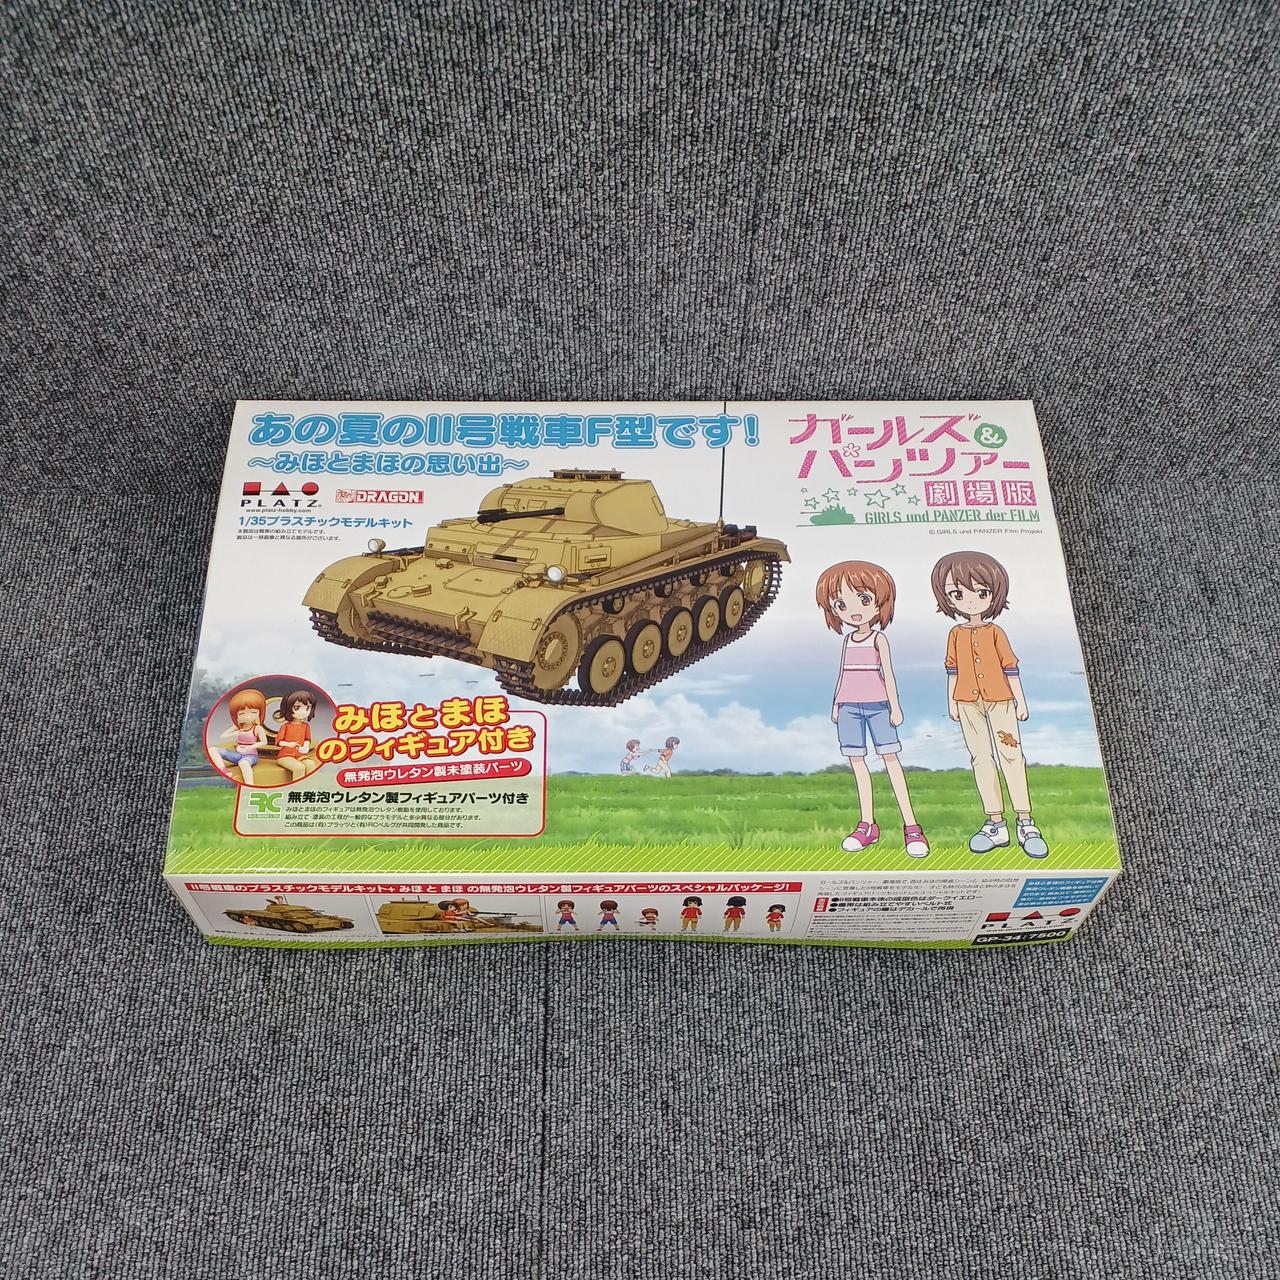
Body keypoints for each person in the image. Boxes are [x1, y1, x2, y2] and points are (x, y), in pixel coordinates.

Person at [931, 551, 1048, 858]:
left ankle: (1026, 822)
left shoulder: (996, 632)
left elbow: (1010, 667)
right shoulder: (954, 634)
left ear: (994, 594)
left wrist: (1020, 700)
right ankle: (995, 823)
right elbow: (952, 669)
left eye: (981, 593)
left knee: (1011, 755)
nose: (970, 601)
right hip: (967, 702)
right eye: (958, 594)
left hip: (1001, 700)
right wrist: (951, 701)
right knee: (981, 758)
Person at [816, 561, 929, 857]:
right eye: (841, 604)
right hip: (849, 707)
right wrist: (836, 703)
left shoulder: (879, 639)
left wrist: (895, 706)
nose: (853, 610)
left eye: (864, 600)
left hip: (879, 706)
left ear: (880, 603)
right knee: (857, 764)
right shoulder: (847, 641)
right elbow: (843, 673)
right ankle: (867, 825)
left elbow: (888, 673)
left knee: (891, 760)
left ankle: (912, 827)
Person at [215, 688, 269, 785]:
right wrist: (235, 733)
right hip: (237, 755)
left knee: (243, 763)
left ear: (259, 713)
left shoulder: (257, 728)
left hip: (250, 756)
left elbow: (264, 742)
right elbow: (223, 736)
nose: (247, 716)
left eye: (253, 712)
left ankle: (249, 785)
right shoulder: (238, 726)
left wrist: (251, 747)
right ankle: (223, 770)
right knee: (213, 750)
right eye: (242, 713)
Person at [275, 689, 319, 782]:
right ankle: (297, 788)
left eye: (307, 708)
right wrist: (288, 744)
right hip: (285, 756)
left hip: (300, 755)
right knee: (299, 767)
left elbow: (307, 739)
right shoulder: (285, 726)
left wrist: (306, 746)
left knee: (311, 764)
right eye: (297, 707)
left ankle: (310, 787)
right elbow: (278, 741)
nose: (303, 712)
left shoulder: (306, 726)